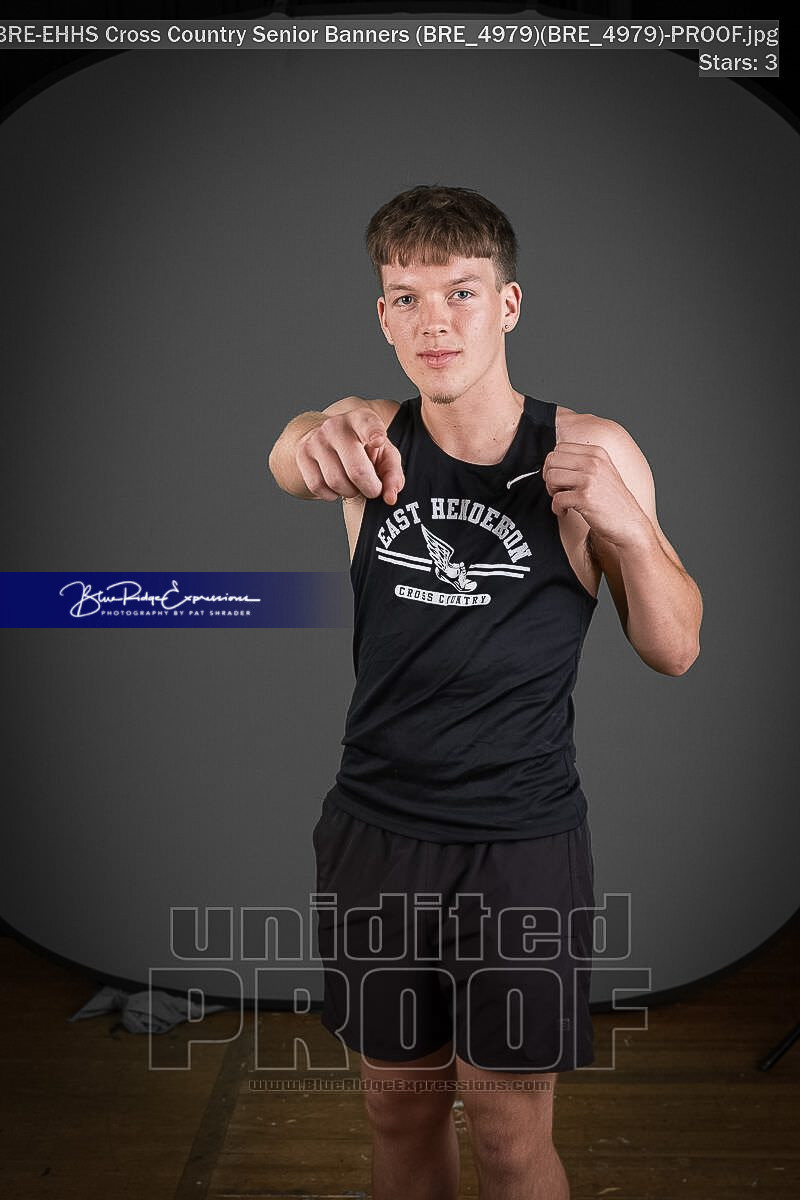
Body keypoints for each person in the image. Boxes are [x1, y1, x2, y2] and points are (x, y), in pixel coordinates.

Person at [268, 185, 702, 1200]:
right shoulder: (371, 442)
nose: (435, 322)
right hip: (374, 833)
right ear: (383, 317)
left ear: (507, 304)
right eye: (407, 298)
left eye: (461, 292)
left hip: (517, 846)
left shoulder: (589, 450)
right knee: (397, 1112)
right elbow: (293, 454)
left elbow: (675, 648)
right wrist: (305, 436)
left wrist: (628, 530)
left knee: (508, 1139)